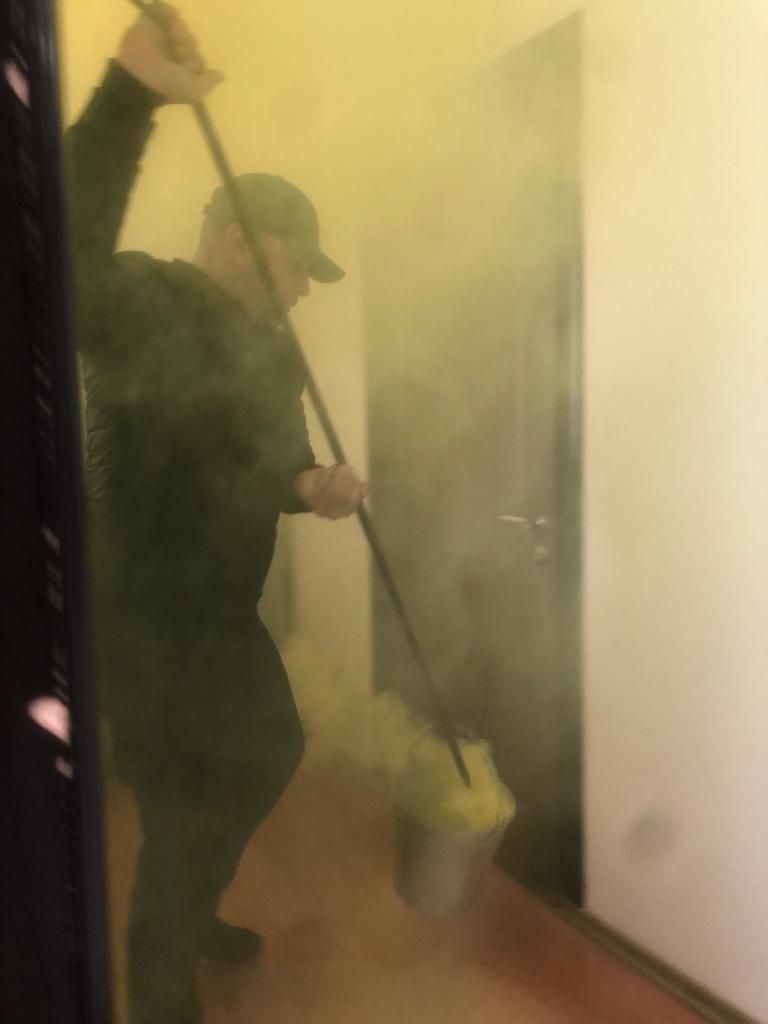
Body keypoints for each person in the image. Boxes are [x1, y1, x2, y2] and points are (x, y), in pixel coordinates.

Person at [66, 6, 368, 1023]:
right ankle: (159, 982)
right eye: (299, 266)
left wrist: (311, 486)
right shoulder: (142, 301)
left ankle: (186, 913)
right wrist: (129, 95)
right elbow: (57, 256)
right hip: (142, 611)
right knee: (186, 797)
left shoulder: (268, 353)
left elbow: (278, 459)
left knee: (268, 748)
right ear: (241, 243)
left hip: (219, 613)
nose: (304, 292)